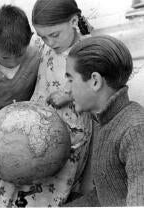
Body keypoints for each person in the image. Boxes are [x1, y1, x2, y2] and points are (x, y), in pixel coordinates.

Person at [0, 0, 93, 207]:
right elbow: (21, 43)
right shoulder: (45, 44)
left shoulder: (87, 50)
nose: (49, 42)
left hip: (67, 135)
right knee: (15, 172)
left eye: (54, 35)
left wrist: (70, 95)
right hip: (33, 128)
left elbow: (99, 85)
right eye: (42, 37)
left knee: (48, 191)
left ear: (74, 21)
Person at [64, 35, 144, 206]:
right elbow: (106, 195)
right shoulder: (105, 122)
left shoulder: (135, 130)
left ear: (95, 81)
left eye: (70, 79)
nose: (67, 89)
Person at [0, 5, 41, 207]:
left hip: (24, 121)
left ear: (29, 38)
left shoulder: (37, 55)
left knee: (24, 173)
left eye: (18, 56)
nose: (12, 62)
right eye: (5, 57)